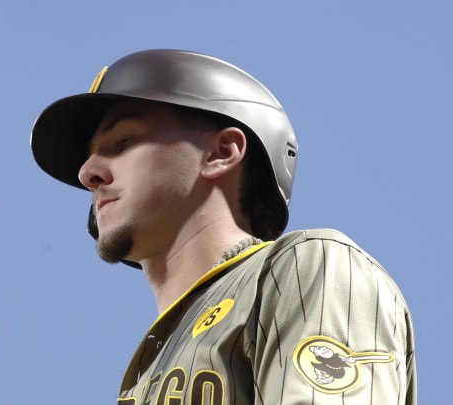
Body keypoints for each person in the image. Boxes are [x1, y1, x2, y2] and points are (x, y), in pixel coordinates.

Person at [30, 49, 416, 404]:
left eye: (124, 140)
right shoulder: (144, 374)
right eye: (91, 156)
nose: (87, 173)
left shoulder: (305, 266)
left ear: (221, 153)